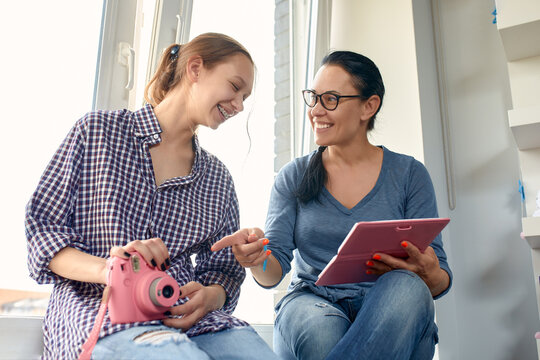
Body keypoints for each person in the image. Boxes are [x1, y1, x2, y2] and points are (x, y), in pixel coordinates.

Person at [25, 32, 278, 360]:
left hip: (192, 321)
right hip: (100, 313)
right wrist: (112, 270)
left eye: (245, 96)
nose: (239, 105)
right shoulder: (97, 133)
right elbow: (43, 233)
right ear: (196, 68)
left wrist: (211, 296)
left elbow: (223, 272)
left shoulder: (218, 179)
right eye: (234, 87)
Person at [212, 50, 453, 360]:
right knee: (321, 332)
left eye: (331, 100)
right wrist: (257, 257)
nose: (316, 110)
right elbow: (275, 269)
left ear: (369, 106)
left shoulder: (409, 174)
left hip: (388, 307)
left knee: (407, 287)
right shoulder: (294, 176)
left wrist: (428, 272)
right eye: (313, 97)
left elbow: (439, 279)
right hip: (312, 303)